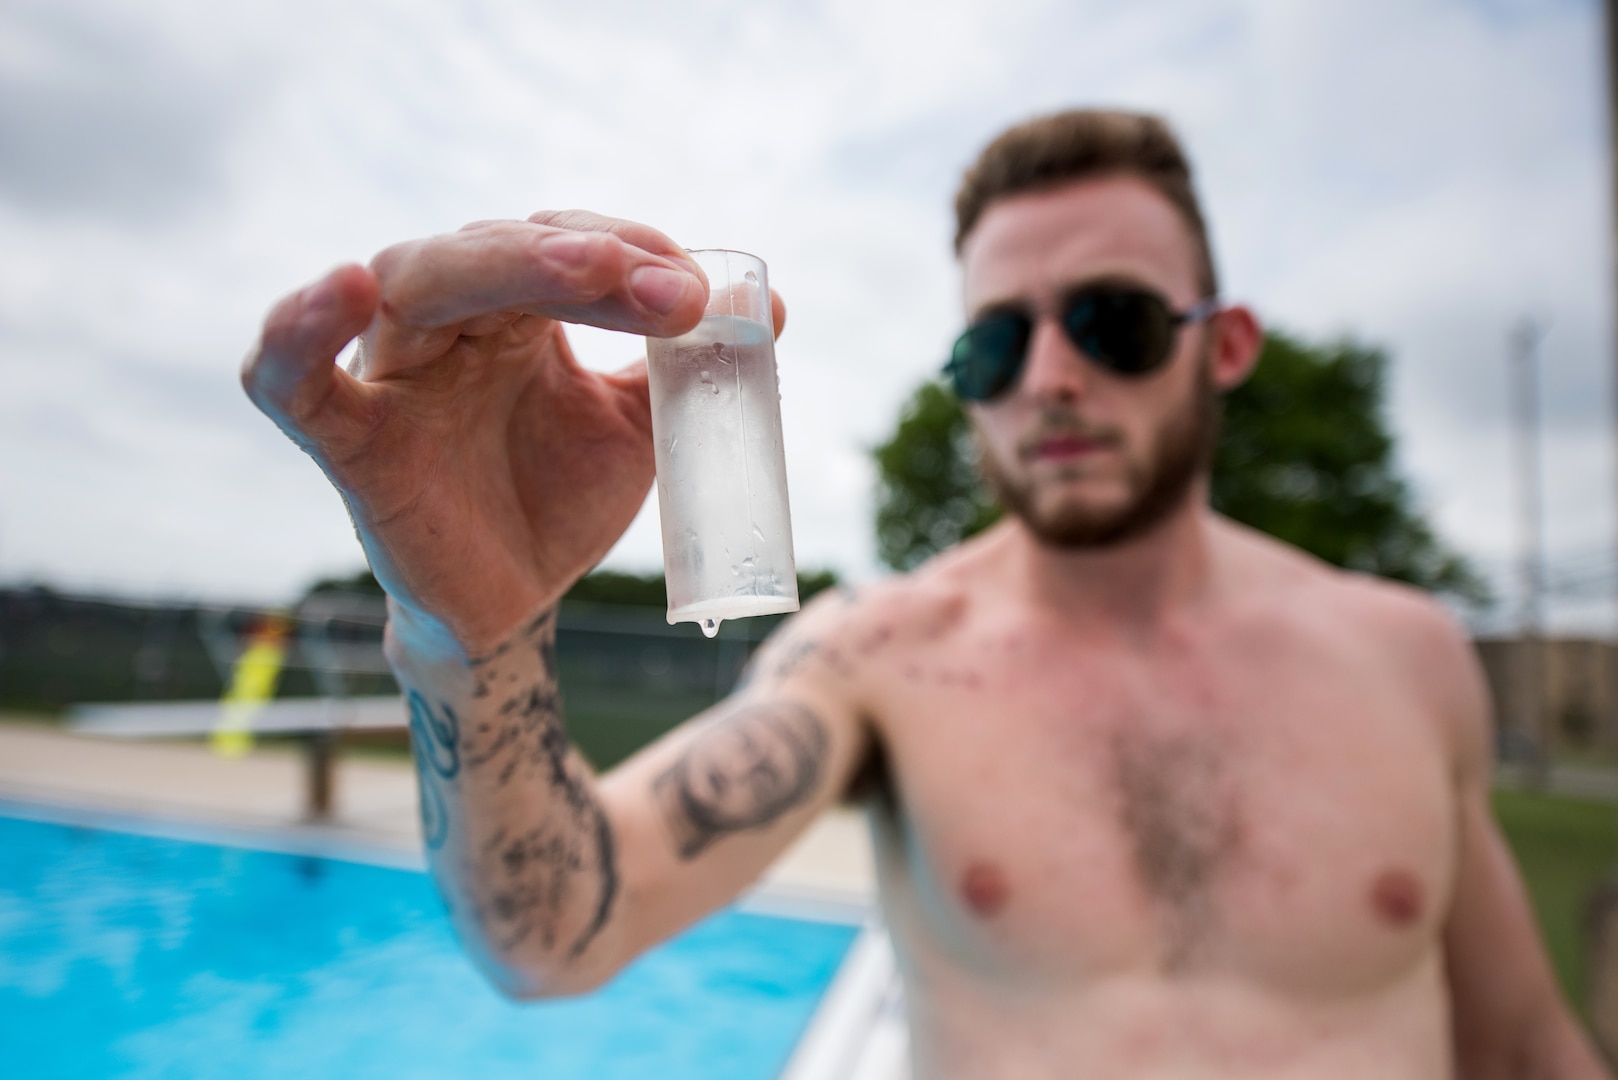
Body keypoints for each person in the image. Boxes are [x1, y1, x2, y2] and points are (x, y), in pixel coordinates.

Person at [243, 109, 1610, 1077]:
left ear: (1224, 344)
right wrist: (471, 634)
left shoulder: (1403, 656)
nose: (1051, 378)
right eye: (998, 340)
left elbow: (1517, 1045)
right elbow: (549, 934)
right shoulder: (883, 656)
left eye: (1114, 322)